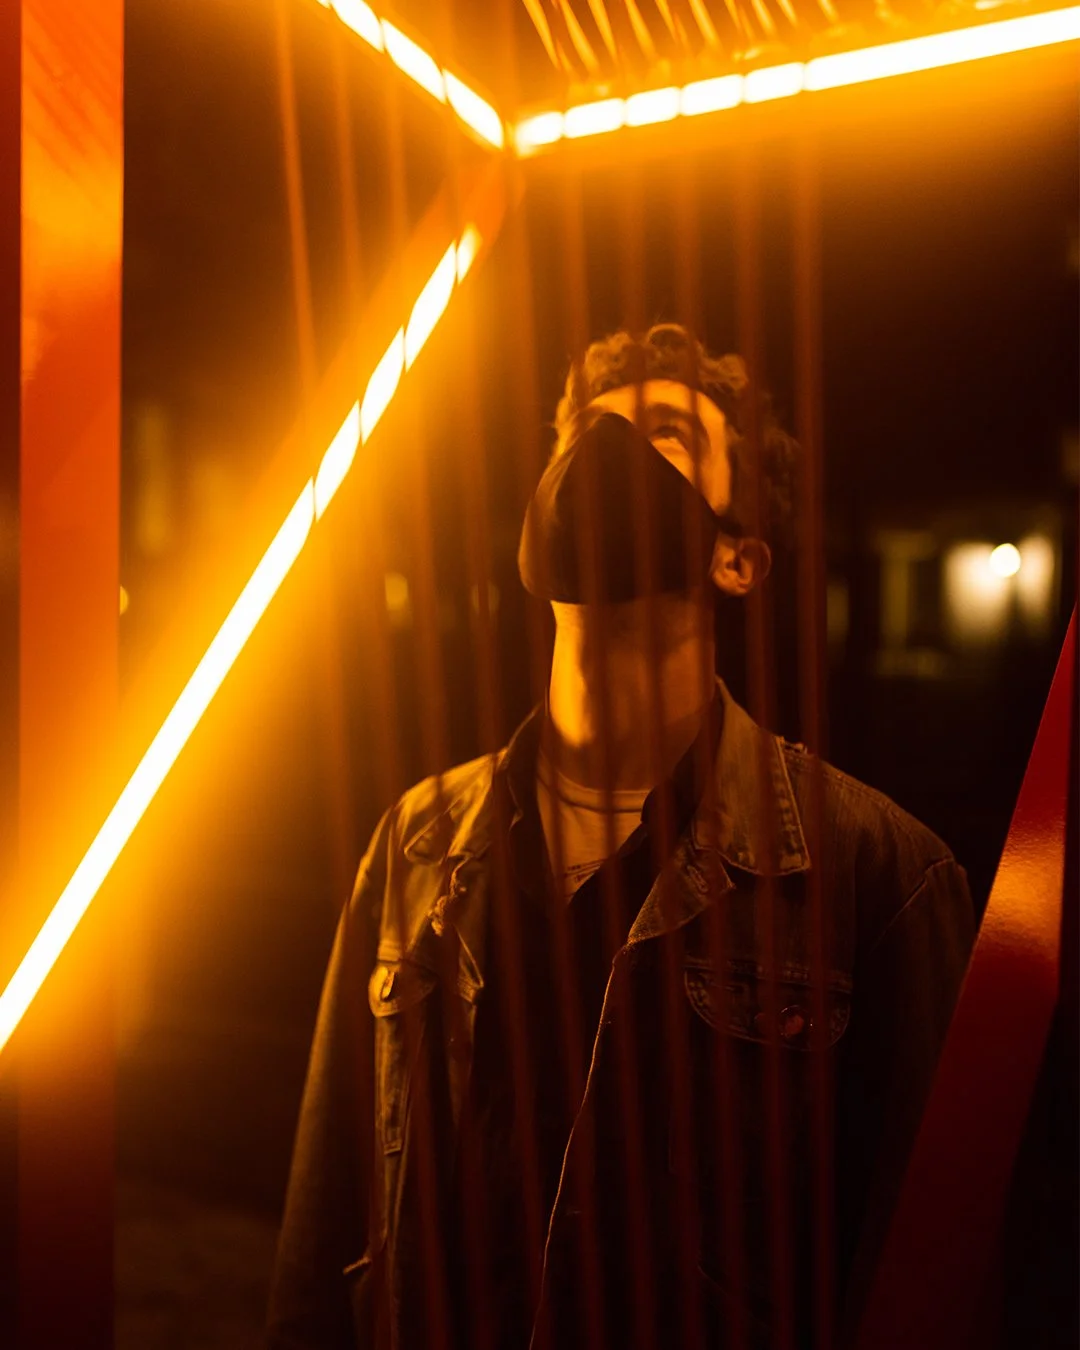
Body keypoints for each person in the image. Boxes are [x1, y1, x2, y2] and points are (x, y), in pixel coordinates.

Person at [266, 324, 975, 1350]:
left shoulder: (876, 873)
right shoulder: (417, 841)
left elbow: (925, 1279)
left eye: (666, 434)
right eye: (585, 433)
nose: (608, 453)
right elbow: (327, 1223)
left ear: (738, 558)